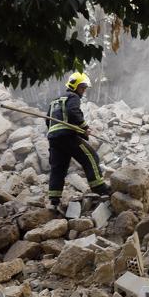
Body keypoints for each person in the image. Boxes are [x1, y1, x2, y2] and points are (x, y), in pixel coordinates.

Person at [47, 72, 110, 206]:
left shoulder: (54, 101)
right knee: (90, 157)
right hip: (67, 136)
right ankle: (100, 189)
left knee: (58, 168)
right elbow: (72, 112)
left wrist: (81, 133)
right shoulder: (73, 97)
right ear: (75, 86)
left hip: (54, 138)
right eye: (82, 88)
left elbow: (49, 121)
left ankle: (54, 199)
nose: (83, 91)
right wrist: (85, 127)